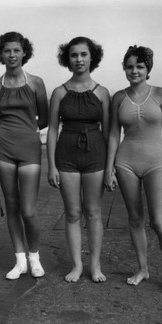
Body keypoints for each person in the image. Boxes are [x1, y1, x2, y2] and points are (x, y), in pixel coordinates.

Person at [104, 45, 162, 294]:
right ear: (124, 69)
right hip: (125, 162)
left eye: (139, 66)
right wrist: (109, 168)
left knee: (159, 221)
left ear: (148, 69)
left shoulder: (160, 94)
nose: (134, 70)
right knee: (135, 219)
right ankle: (143, 269)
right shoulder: (118, 97)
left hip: (155, 162)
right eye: (129, 66)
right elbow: (114, 135)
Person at [47, 37, 110, 283]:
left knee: (93, 212)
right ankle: (76, 265)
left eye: (84, 55)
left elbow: (110, 133)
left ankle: (95, 266)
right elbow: (52, 130)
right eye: (74, 55)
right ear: (67, 59)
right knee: (72, 212)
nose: (79, 60)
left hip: (96, 153)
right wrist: (51, 165)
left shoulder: (103, 93)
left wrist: (110, 167)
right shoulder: (59, 93)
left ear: (92, 57)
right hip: (66, 155)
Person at [0, 31, 49, 280]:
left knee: (28, 210)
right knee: (11, 207)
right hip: (3, 148)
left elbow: (44, 118)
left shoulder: (36, 82)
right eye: (7, 51)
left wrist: (29, 132)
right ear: (0, 54)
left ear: (24, 52)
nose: (11, 55)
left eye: (16, 50)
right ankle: (20, 260)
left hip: (29, 148)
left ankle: (34, 257)